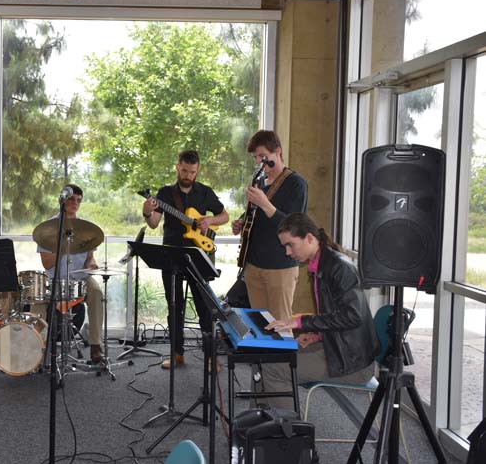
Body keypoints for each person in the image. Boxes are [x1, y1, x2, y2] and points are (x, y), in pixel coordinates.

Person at [260, 212, 379, 410]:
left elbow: (352, 316)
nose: (288, 252)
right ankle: (258, 423)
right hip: (337, 348)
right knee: (265, 358)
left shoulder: (340, 267)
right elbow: (336, 315)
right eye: (284, 247)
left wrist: (300, 322)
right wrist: (317, 335)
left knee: (273, 369)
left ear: (309, 238)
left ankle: (288, 434)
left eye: (290, 245)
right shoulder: (320, 264)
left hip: (352, 363)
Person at [142, 150, 229, 369]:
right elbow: (153, 223)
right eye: (184, 170)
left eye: (192, 171)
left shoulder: (205, 192)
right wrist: (146, 212)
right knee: (174, 306)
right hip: (170, 254)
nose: (188, 175)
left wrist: (209, 220)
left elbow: (224, 216)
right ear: (177, 167)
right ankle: (177, 353)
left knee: (203, 306)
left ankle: (211, 356)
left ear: (197, 169)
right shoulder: (165, 193)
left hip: (198, 255)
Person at [227, 129, 308, 320]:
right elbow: (256, 214)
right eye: (256, 158)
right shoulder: (261, 182)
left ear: (278, 151)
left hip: (280, 267)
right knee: (259, 324)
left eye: (263, 157)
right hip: (254, 265)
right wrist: (242, 221)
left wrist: (265, 203)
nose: (259, 163)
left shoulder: (296, 183)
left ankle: (284, 352)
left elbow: (293, 227)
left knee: (280, 325)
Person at [36, 184, 105, 364]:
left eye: (78, 200)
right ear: (62, 200)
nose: (75, 203)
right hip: (55, 280)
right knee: (36, 299)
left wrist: (92, 263)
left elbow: (89, 257)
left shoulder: (86, 229)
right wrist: (64, 248)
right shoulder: (48, 228)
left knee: (97, 292)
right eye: (72, 199)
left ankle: (96, 345)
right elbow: (46, 263)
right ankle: (39, 347)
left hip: (80, 278)